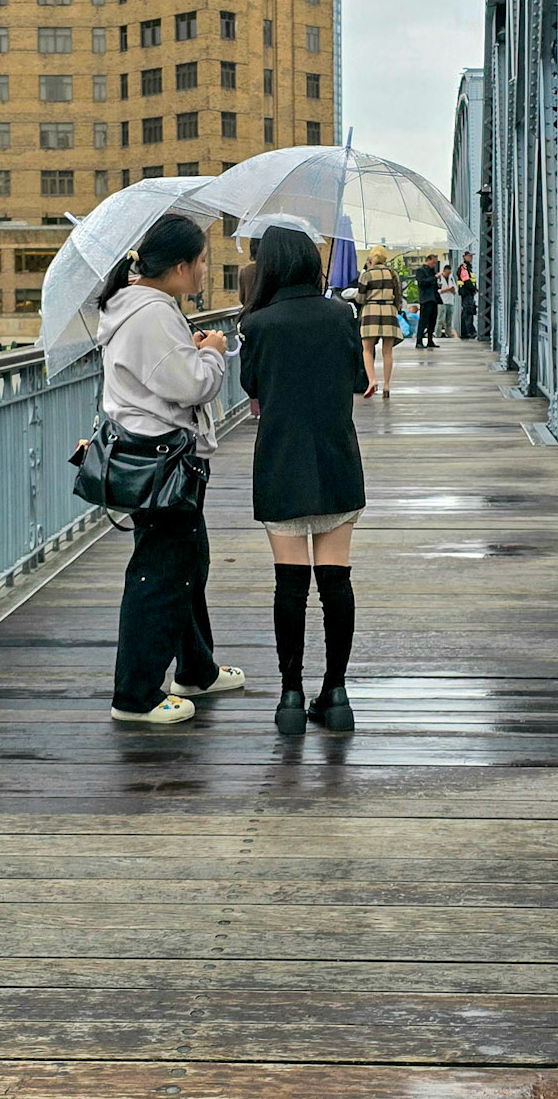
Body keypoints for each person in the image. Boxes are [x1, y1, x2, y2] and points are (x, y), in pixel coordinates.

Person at [89, 213, 246, 726]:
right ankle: (135, 694)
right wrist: (214, 354)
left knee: (186, 563)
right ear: (179, 267)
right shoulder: (153, 313)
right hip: (164, 458)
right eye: (200, 262)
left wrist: (191, 352)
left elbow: (163, 373)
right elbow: (192, 385)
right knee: (159, 575)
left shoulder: (137, 305)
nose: (203, 270)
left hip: (154, 456)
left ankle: (196, 670)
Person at [239, 224, 368, 735]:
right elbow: (358, 380)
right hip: (336, 459)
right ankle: (336, 694)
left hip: (281, 463)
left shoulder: (259, 324)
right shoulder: (341, 315)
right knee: (336, 580)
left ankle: (290, 697)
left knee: (289, 584)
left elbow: (252, 386)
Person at [354, 244, 403, 398]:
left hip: (371, 311)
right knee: (387, 351)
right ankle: (386, 385)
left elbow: (360, 298)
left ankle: (372, 381)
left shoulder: (367, 275)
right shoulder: (392, 274)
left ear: (371, 258)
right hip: (389, 311)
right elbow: (398, 296)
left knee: (367, 350)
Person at [413, 253, 441, 350]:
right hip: (426, 299)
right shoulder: (421, 271)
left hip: (433, 298)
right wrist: (434, 278)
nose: (434, 265)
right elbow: (422, 282)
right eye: (433, 263)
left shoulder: (433, 271)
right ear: (428, 260)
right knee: (423, 321)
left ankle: (430, 340)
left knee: (432, 321)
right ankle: (419, 341)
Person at [458, 254, 478, 340]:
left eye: (471, 256)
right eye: (469, 256)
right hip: (466, 293)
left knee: (467, 312)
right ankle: (470, 331)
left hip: (468, 293)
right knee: (468, 312)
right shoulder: (464, 268)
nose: (471, 258)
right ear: (464, 257)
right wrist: (473, 289)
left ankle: (465, 332)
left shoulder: (468, 268)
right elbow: (466, 280)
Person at [436, 262, 458, 339]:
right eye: (447, 273)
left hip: (450, 301)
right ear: (444, 271)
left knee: (449, 320)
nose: (448, 274)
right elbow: (438, 291)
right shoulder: (439, 278)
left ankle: (448, 333)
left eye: (449, 273)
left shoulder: (451, 278)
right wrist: (447, 289)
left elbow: (455, 290)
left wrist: (452, 290)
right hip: (442, 301)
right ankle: (437, 334)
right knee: (441, 319)